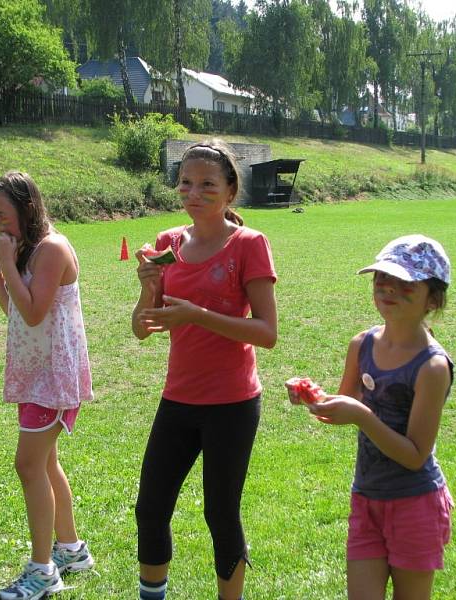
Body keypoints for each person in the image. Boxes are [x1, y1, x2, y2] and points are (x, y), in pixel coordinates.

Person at [132, 139, 278, 600]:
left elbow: (267, 332)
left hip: (232, 404)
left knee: (220, 513)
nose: (194, 193)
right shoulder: (168, 244)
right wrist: (147, 288)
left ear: (231, 190)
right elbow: (142, 328)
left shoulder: (249, 244)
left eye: (208, 184)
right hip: (178, 399)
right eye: (186, 183)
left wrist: (197, 314)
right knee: (150, 508)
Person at [287, 235, 455, 600]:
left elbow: (414, 455)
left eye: (406, 283)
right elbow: (343, 408)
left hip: (416, 503)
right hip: (366, 497)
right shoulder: (361, 344)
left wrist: (362, 416)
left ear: (433, 298)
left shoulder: (432, 366)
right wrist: (312, 398)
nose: (389, 288)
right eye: (381, 278)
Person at [0, 172, 94, 600]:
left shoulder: (51, 249)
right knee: (44, 463)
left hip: (55, 375)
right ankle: (71, 549)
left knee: (28, 465)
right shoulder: (27, 251)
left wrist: (7, 261)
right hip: (35, 371)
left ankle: (43, 570)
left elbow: (33, 314)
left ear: (26, 209)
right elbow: (12, 307)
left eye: (3, 215)